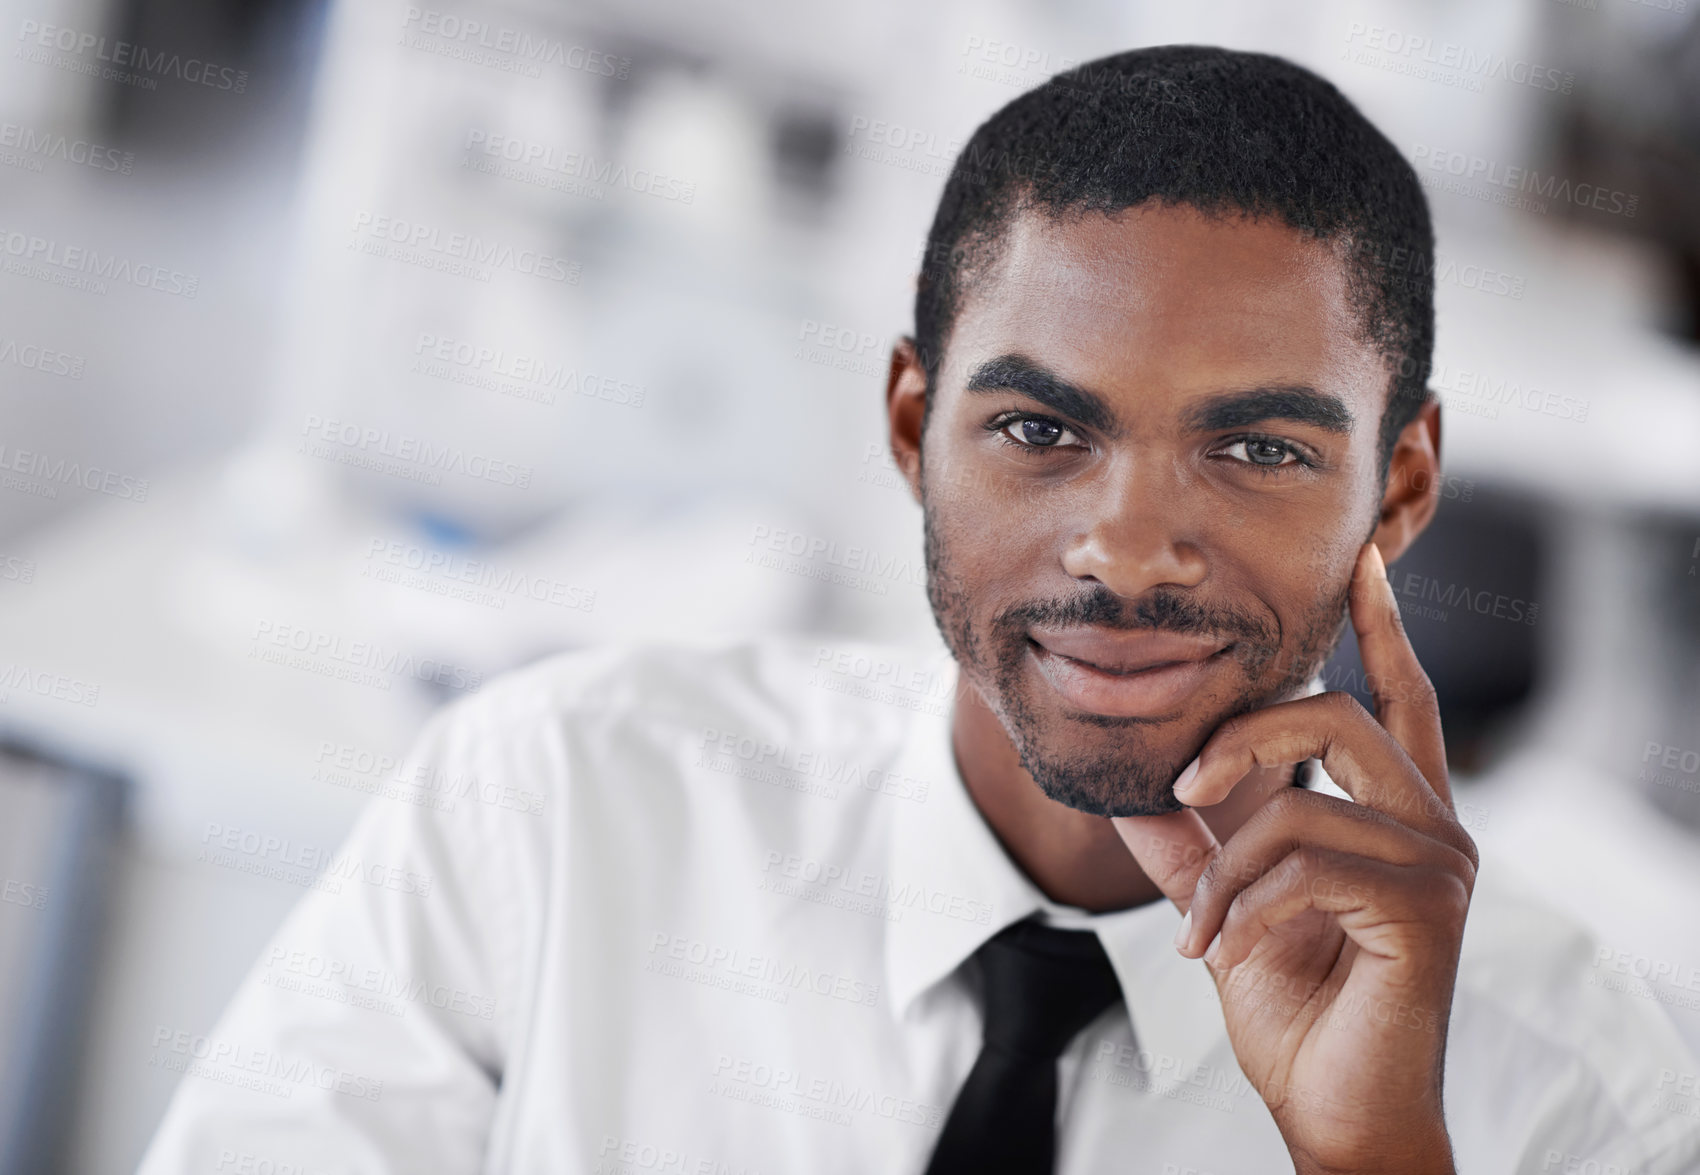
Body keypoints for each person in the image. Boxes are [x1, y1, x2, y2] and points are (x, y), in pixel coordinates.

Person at [139, 45, 1700, 1174]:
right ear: (908, 426)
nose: (1128, 549)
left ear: (1403, 484)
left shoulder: (1578, 1089)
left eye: (1257, 448)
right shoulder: (551, 813)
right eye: (1039, 430)